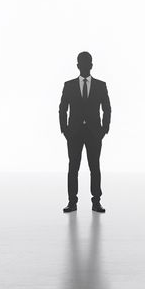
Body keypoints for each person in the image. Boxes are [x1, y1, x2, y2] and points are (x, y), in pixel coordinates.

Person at [59, 51, 111, 213]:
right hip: (74, 133)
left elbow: (107, 108)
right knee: (73, 167)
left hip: (94, 133)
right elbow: (62, 109)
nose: (84, 66)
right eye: (81, 63)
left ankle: (96, 202)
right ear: (77, 66)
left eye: (87, 63)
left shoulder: (101, 85)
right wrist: (65, 130)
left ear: (91, 65)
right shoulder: (69, 85)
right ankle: (72, 202)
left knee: (94, 167)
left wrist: (104, 130)